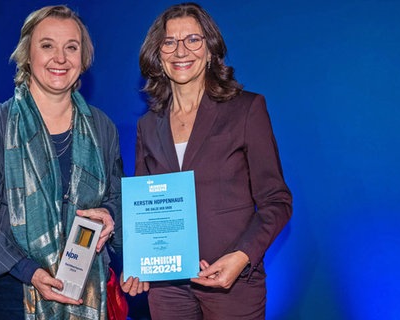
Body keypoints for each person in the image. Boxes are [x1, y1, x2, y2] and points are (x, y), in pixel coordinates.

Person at [0, 5, 124, 319]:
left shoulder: (102, 128)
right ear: (27, 55)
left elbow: (116, 198)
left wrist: (110, 214)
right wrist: (28, 270)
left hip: (87, 292)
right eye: (47, 46)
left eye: (71, 47)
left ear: (83, 59)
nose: (60, 58)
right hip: (11, 298)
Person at [121, 2, 293, 319]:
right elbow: (142, 209)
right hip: (167, 287)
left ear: (211, 50)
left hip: (232, 282)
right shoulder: (148, 125)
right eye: (169, 42)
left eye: (193, 40)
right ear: (158, 55)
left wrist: (242, 257)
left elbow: (277, 201)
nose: (180, 51)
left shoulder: (246, 109)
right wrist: (137, 263)